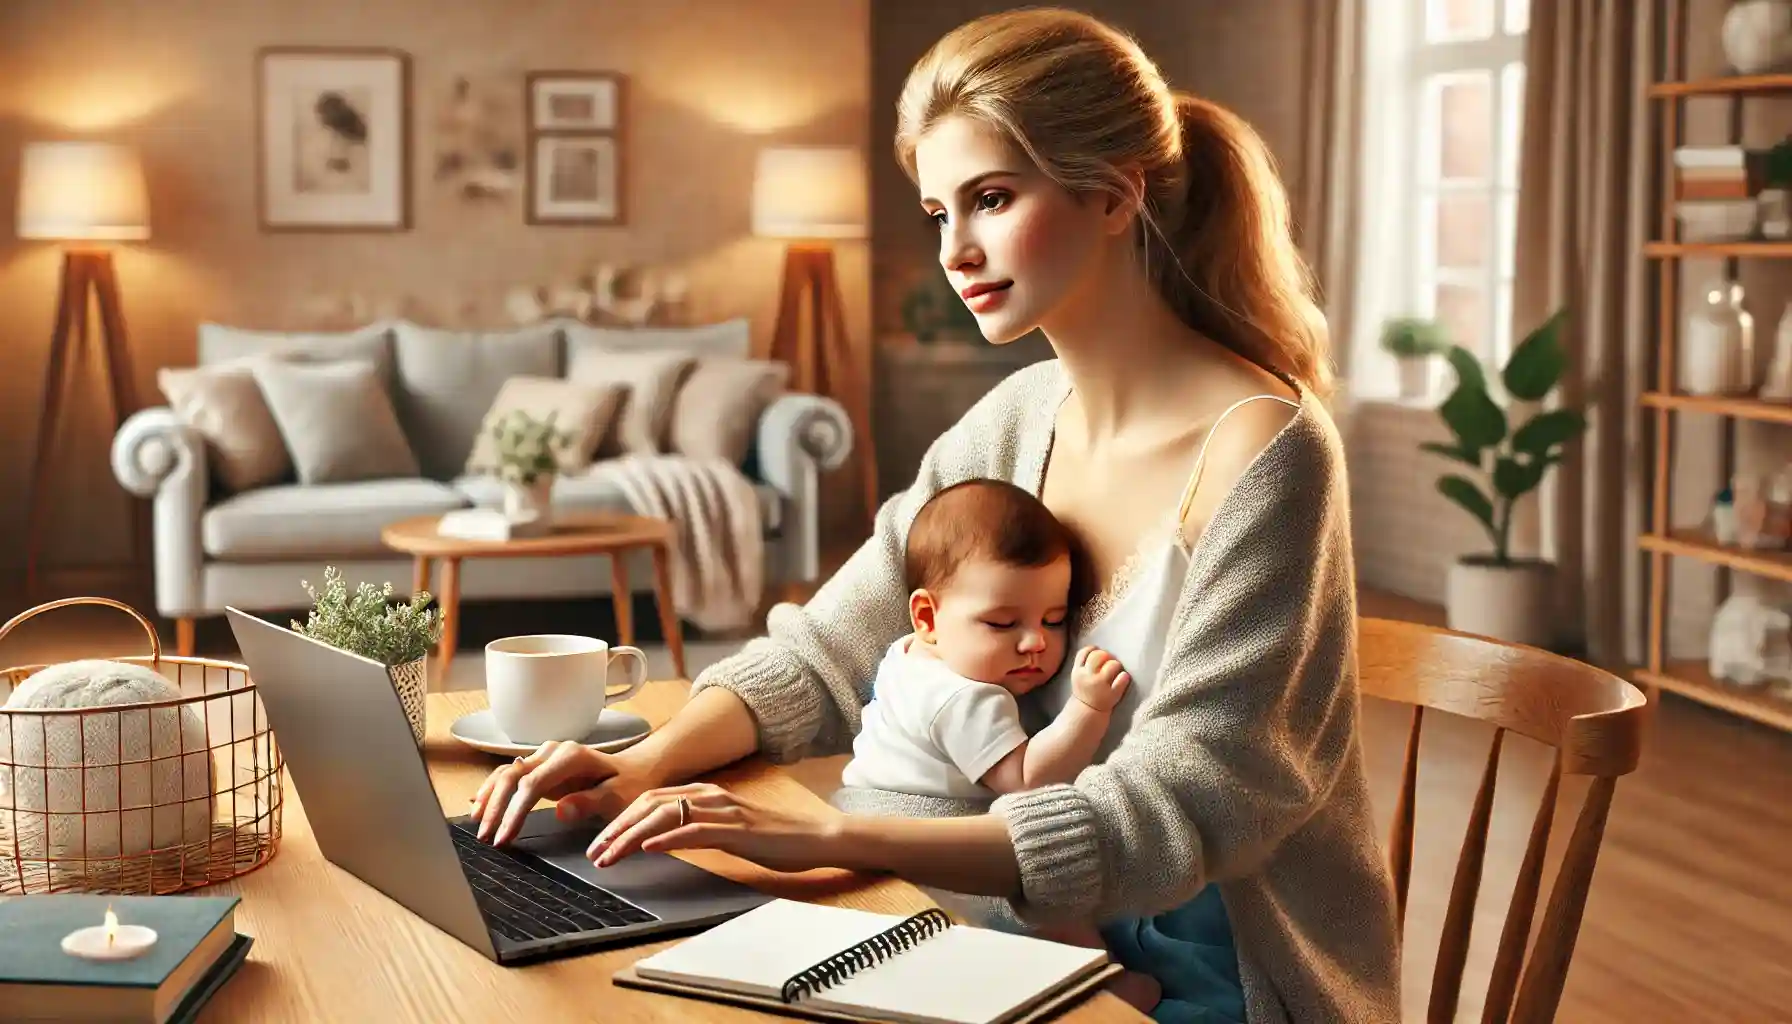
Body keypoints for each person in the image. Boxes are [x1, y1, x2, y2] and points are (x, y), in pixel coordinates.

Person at [470, 7, 1402, 1021]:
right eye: (937, 212)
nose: (955, 249)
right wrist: (633, 766)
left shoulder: (1265, 451)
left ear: (1112, 192)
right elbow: (832, 646)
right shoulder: (1015, 417)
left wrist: (832, 838)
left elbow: (1180, 809)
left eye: (991, 198)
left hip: (1204, 967)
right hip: (1008, 922)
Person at [839, 477, 1160, 1011]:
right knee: (1042, 885)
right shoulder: (963, 698)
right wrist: (1089, 709)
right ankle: (1100, 985)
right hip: (928, 823)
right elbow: (1028, 778)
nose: (1035, 642)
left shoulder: (909, 655)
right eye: (1002, 623)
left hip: (863, 807)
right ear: (927, 616)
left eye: (1053, 620)